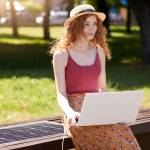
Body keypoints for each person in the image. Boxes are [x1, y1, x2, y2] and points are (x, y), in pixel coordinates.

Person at [50, 4, 141, 150]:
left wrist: (115, 114)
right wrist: (70, 112)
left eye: (94, 24)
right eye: (86, 24)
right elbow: (60, 94)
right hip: (77, 112)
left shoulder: (99, 51)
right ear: (75, 26)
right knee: (112, 141)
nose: (92, 28)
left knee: (125, 137)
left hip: (98, 107)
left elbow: (102, 88)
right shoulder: (61, 55)